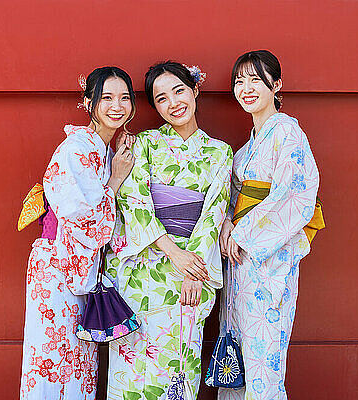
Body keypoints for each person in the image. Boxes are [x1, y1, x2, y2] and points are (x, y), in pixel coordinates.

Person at [105, 61, 233, 399]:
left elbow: (214, 210)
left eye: (178, 91)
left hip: (192, 271)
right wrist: (171, 250)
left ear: (194, 90)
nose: (173, 103)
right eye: (161, 99)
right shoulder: (145, 143)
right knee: (135, 366)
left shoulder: (220, 152)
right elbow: (134, 200)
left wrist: (196, 270)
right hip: (146, 266)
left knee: (180, 364)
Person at [19, 66, 136, 400]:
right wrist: (114, 181)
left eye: (125, 98)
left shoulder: (107, 150)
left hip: (79, 268)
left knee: (78, 361)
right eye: (107, 98)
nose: (118, 105)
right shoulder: (76, 149)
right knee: (53, 359)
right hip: (58, 267)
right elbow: (82, 217)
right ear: (89, 103)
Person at [218, 50, 320, 400]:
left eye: (255, 80)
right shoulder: (246, 149)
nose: (246, 88)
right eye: (239, 81)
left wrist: (243, 234)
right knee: (238, 360)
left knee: (264, 361)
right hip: (241, 261)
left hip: (269, 262)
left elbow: (294, 197)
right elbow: (234, 201)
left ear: (276, 85)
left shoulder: (286, 132)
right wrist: (229, 223)